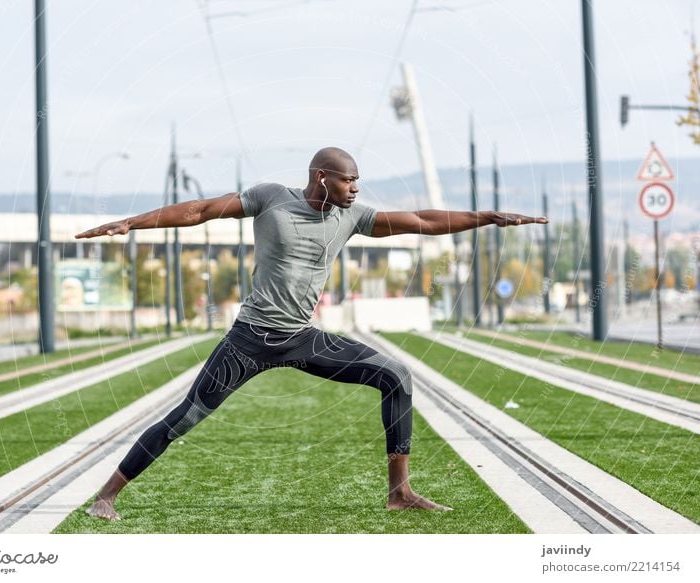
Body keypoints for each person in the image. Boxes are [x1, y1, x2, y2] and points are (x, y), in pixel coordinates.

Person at [75, 147, 547, 520]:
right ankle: (107, 495)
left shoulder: (352, 216)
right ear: (322, 176)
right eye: (348, 179)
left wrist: (487, 217)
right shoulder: (269, 197)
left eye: (357, 180)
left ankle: (399, 492)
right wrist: (131, 223)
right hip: (249, 340)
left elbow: (422, 222)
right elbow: (200, 210)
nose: (355, 187)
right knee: (185, 417)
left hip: (302, 338)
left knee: (396, 375)